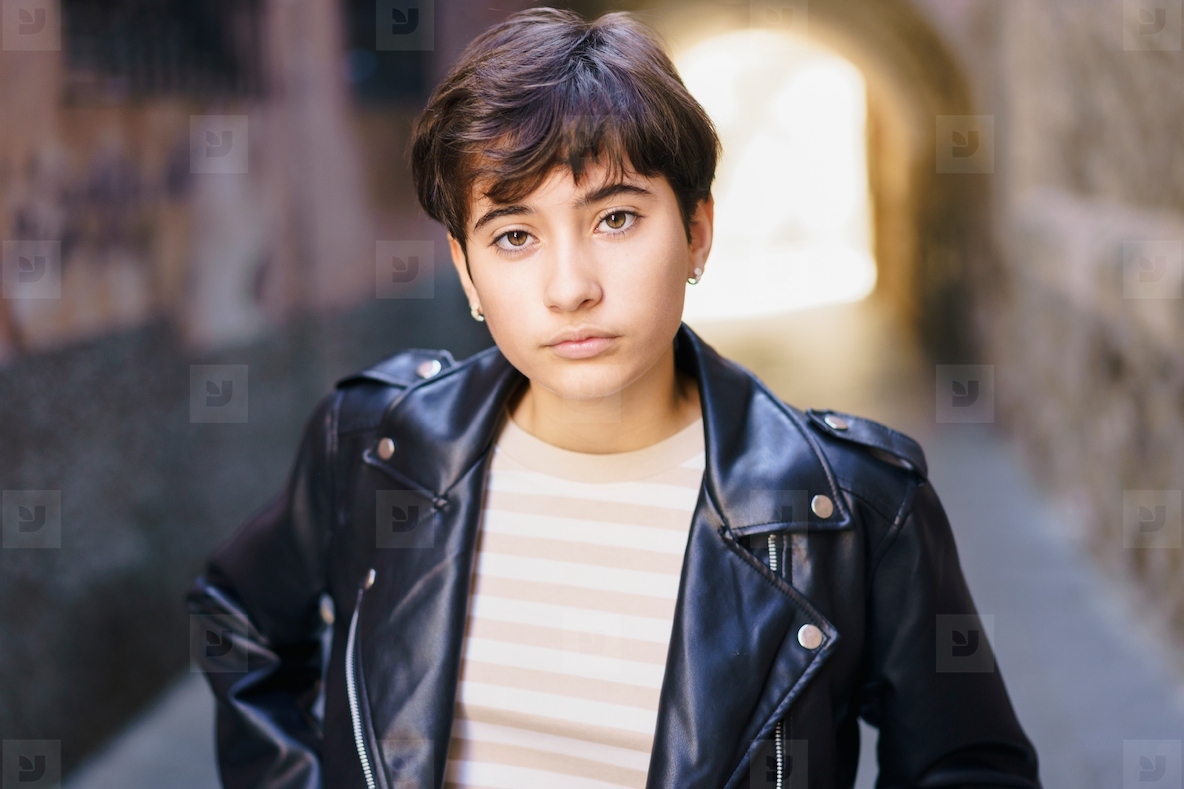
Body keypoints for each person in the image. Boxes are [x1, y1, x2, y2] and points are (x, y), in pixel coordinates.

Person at [186, 8, 1041, 788]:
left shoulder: (855, 509)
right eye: (514, 235)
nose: (570, 287)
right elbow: (239, 618)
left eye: (617, 218)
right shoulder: (379, 446)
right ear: (467, 272)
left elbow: (968, 764)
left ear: (696, 232)